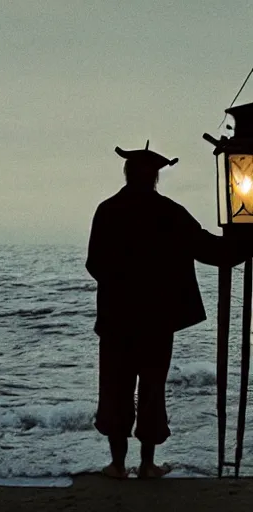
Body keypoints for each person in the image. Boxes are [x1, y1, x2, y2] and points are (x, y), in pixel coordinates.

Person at [86, 142, 247, 479]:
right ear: (155, 177)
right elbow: (210, 249)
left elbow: (95, 264)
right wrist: (246, 239)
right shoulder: (170, 213)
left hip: (117, 320)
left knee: (116, 389)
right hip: (156, 321)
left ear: (127, 174)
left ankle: (117, 465)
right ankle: (146, 465)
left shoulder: (107, 210)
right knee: (151, 391)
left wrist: (122, 282)